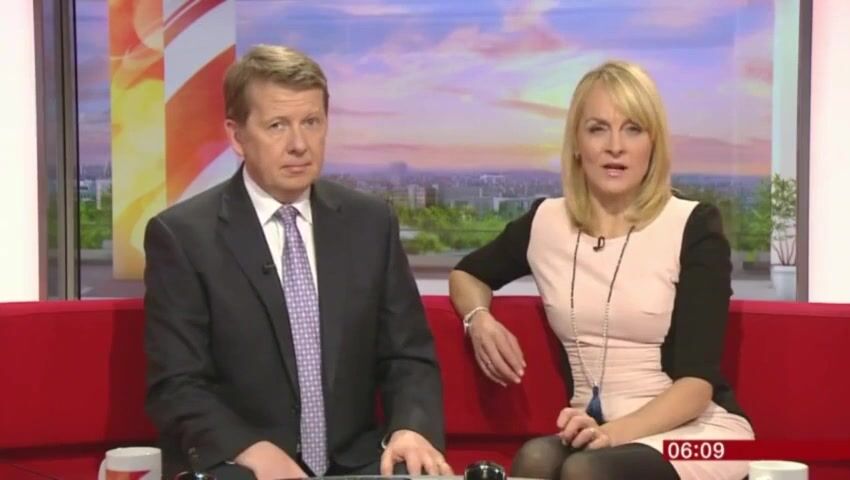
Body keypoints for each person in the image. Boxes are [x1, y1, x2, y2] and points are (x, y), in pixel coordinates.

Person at [143, 44, 452, 480]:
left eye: (311, 122)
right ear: (237, 136)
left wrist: (410, 428)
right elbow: (177, 384)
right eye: (277, 126)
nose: (299, 145)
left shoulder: (370, 223)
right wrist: (251, 450)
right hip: (244, 463)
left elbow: (408, 355)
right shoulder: (184, 237)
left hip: (357, 462)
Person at [449, 60, 755, 480]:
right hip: (594, 431)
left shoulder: (693, 226)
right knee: (535, 461)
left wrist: (612, 434)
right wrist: (478, 319)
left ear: (653, 143)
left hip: (700, 433)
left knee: (586, 471)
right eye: (598, 129)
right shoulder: (546, 222)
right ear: (577, 142)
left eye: (633, 129)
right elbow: (467, 275)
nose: (615, 146)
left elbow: (696, 387)